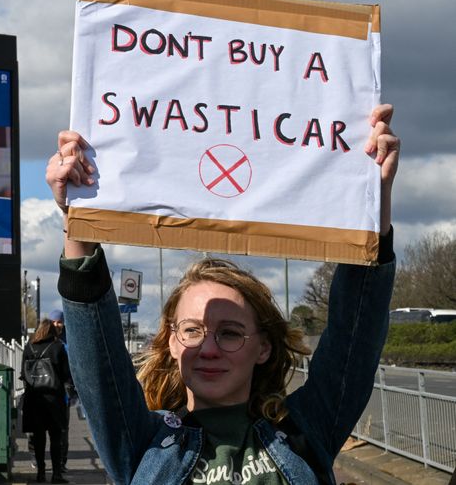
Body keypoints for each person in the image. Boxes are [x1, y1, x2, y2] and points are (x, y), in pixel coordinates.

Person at [44, 104, 400, 485]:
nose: (208, 348)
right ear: (172, 343)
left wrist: (370, 200)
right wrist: (79, 215)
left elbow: (355, 336)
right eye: (192, 330)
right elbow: (98, 358)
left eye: (230, 332)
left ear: (263, 347)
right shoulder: (143, 441)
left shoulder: (306, 430)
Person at [22, 318, 73, 483]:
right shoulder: (58, 347)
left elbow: (24, 374)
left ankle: (41, 473)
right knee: (55, 438)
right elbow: (66, 374)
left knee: (38, 437)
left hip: (34, 398)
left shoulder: (28, 347)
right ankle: (57, 474)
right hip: (54, 399)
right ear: (52, 332)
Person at [48, 309, 72, 473]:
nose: (58, 324)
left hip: (62, 392)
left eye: (60, 321)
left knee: (62, 430)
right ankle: (40, 463)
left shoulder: (67, 342)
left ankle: (61, 463)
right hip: (45, 391)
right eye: (55, 321)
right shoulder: (42, 341)